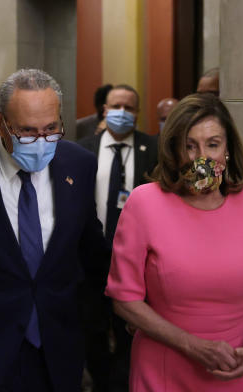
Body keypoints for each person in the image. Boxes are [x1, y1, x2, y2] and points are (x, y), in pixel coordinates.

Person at [0, 69, 109, 392]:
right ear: (0, 122)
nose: (42, 142)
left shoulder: (79, 165)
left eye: (51, 129)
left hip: (57, 353)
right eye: (27, 132)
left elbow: (92, 255)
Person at [106, 93, 243, 390]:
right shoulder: (144, 203)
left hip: (235, 368)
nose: (202, 156)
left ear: (227, 149)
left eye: (213, 144)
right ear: (174, 150)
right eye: (189, 146)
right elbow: (124, 300)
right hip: (163, 370)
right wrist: (192, 346)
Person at [77, 84, 158, 392]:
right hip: (92, 260)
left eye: (129, 108)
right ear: (104, 110)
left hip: (137, 262)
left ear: (137, 113)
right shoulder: (83, 149)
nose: (122, 113)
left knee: (131, 334)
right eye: (116, 107)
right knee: (92, 330)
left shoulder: (153, 149)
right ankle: (100, 382)